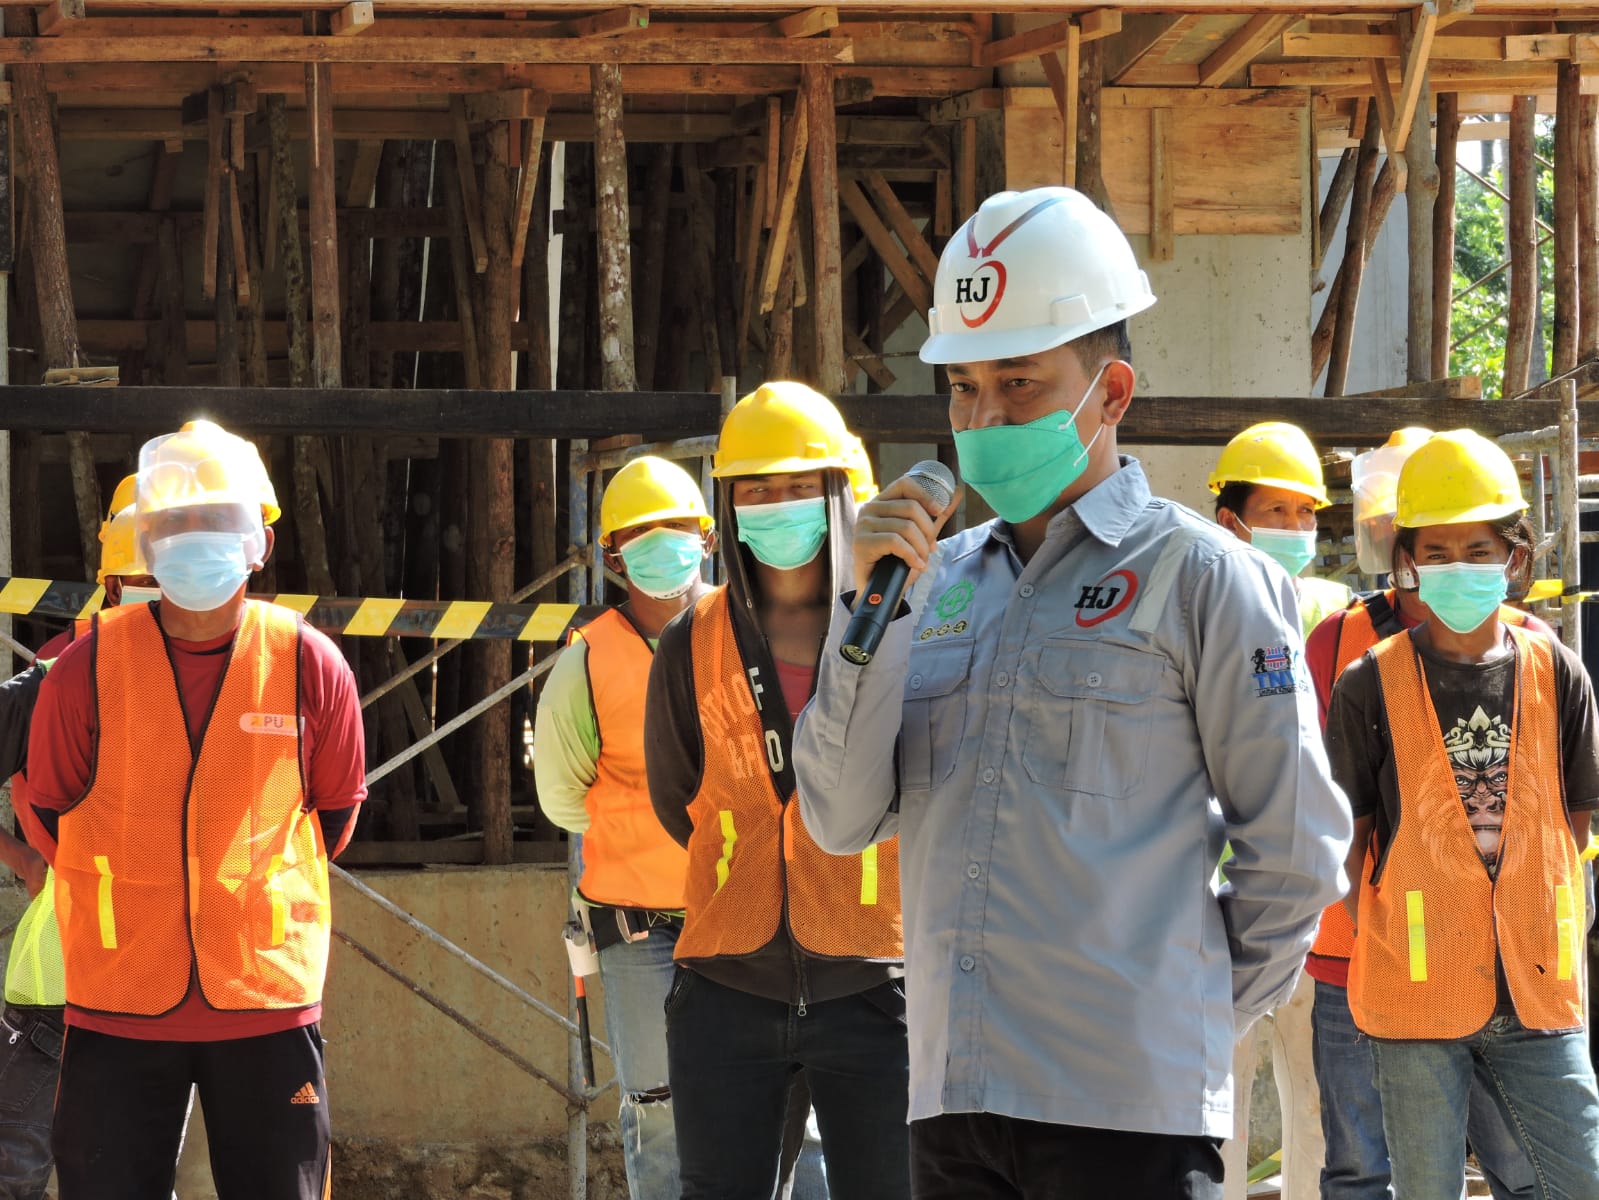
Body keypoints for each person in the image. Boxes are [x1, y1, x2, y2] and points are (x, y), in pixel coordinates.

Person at [792, 185, 1351, 1200]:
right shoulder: (930, 586)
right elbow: (837, 820)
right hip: (954, 1106)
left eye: (1019, 383)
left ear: (1112, 392)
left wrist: (1184, 1018)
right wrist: (864, 618)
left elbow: (1295, 852)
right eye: (963, 388)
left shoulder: (1205, 581)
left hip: (1129, 1115)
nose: (984, 418)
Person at [26, 419, 367, 1200]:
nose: (195, 537)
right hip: (117, 1002)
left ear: (258, 542)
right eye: (176, 521)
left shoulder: (309, 662)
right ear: (146, 542)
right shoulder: (83, 669)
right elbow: (46, 814)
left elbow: (334, 819)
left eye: (216, 518)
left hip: (265, 1001)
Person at [644, 382, 911, 1200]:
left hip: (879, 985)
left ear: (839, 494)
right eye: (754, 490)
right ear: (726, 506)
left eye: (798, 486)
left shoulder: (900, 626)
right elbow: (678, 798)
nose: (776, 505)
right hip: (726, 988)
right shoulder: (690, 640)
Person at [1326, 429, 1599, 1200]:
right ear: (1407, 559)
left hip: (1537, 988)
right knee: (1425, 1188)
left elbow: (1573, 822)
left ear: (1513, 555)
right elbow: (1345, 837)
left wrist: (1532, 911)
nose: (1457, 566)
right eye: (1437, 551)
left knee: (1578, 1180)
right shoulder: (1366, 684)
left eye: (1477, 549)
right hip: (1414, 992)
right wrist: (1394, 928)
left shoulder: (1556, 671)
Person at [534, 455, 714, 1199]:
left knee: (776, 1105)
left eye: (676, 526)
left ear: (706, 538)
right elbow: (563, 798)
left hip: (746, 916)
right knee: (659, 1111)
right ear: (613, 557)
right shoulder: (586, 662)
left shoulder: (746, 634)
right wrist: (638, 826)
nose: (662, 541)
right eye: (642, 532)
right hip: (640, 931)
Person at [0, 476, 162, 1200]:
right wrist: (21, 856)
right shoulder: (62, 677)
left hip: (173, 996)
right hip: (64, 988)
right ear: (114, 585)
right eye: (150, 581)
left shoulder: (243, 681)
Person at [1208, 422, 1348, 1199]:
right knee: (1211, 1105)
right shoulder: (1197, 605)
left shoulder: (1335, 613)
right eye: (1276, 511)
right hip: (1212, 895)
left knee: (1316, 1102)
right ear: (1229, 518)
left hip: (1310, 897)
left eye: (1305, 513)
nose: (1294, 528)